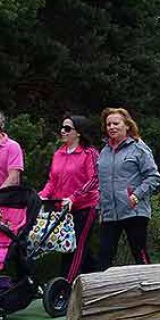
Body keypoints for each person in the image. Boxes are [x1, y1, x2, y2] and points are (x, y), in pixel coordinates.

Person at [97, 108, 160, 269]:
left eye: (116, 123)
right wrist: (100, 208)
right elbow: (101, 183)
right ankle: (105, 291)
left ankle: (150, 286)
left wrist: (137, 195)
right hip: (110, 213)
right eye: (108, 124)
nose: (112, 127)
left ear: (127, 125)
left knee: (139, 253)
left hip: (134, 210)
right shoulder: (104, 152)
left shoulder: (139, 148)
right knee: (104, 256)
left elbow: (153, 177)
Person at [39, 115, 100, 280]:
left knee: (74, 247)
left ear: (78, 133)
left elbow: (94, 179)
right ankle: (97, 276)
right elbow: (52, 181)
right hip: (63, 208)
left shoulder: (89, 153)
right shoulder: (59, 154)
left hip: (85, 207)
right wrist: (42, 196)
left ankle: (66, 285)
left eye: (67, 128)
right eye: (62, 127)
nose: (62, 131)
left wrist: (74, 197)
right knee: (77, 249)